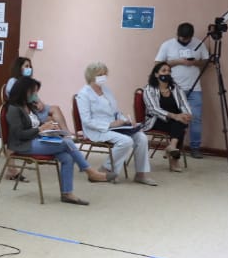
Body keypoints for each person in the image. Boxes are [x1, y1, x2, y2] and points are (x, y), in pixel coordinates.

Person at [7, 77, 113, 204]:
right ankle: (90, 172)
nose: (35, 95)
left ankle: (67, 193)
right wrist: (40, 129)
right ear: (24, 91)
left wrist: (51, 128)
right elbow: (19, 134)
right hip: (23, 144)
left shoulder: (30, 106)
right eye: (33, 92)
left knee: (67, 157)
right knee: (67, 142)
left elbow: (36, 124)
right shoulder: (13, 108)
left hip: (37, 139)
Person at [75, 62, 154, 185]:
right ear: (91, 76)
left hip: (116, 127)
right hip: (97, 130)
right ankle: (106, 169)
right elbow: (86, 121)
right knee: (126, 141)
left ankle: (141, 174)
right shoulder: (83, 94)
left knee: (141, 137)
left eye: (105, 74)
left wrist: (126, 121)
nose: (103, 77)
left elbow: (116, 111)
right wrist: (111, 125)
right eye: (100, 74)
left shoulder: (106, 90)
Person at [155, 22, 210, 158]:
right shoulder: (167, 45)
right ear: (177, 34)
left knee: (195, 118)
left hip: (194, 88)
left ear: (191, 36)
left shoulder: (199, 44)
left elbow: (207, 62)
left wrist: (194, 62)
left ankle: (195, 148)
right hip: (173, 89)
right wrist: (178, 61)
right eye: (181, 38)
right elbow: (157, 64)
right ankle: (173, 148)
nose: (183, 40)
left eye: (186, 39)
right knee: (175, 119)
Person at [142, 62, 193, 173]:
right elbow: (153, 109)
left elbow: (184, 104)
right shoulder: (149, 89)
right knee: (179, 123)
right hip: (156, 120)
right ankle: (174, 158)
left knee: (180, 122)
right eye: (164, 70)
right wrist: (175, 116)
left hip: (175, 120)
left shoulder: (175, 88)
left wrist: (187, 115)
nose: (167, 73)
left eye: (169, 71)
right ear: (156, 74)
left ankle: (172, 146)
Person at [4, 57, 68, 131]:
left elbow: (34, 96)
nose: (29, 69)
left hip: (33, 107)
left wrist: (40, 102)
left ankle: (66, 135)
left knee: (55, 109)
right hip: (26, 109)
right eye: (26, 66)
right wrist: (34, 103)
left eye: (30, 66)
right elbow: (17, 97)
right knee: (51, 120)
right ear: (19, 67)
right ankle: (65, 135)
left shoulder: (29, 82)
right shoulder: (13, 81)